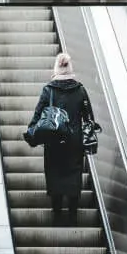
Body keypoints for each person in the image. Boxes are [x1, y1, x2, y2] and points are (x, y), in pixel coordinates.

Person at [27, 53, 95, 227]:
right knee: (73, 175)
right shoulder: (80, 90)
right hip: (74, 142)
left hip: (53, 141)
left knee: (54, 173)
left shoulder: (48, 90)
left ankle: (57, 213)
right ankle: (72, 215)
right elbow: (89, 119)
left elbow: (38, 115)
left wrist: (32, 133)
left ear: (56, 68)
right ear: (70, 68)